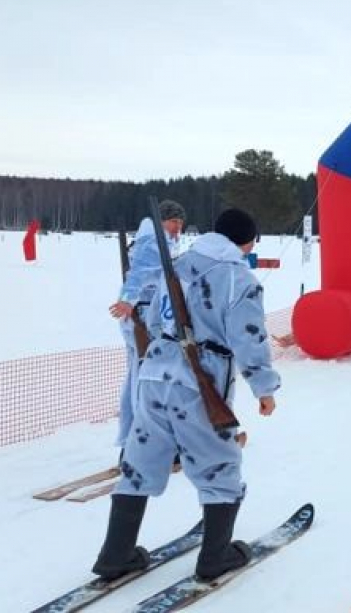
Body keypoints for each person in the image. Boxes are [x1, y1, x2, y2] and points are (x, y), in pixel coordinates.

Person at [92, 208, 281, 582]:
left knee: (139, 464)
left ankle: (116, 555)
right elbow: (249, 338)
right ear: (245, 242)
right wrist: (265, 387)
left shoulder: (175, 264)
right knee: (220, 466)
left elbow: (154, 320)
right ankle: (215, 557)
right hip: (198, 382)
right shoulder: (237, 277)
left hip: (154, 375)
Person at [107, 199, 186, 447]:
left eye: (181, 223)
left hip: (141, 317)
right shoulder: (154, 242)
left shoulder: (153, 241)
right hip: (142, 318)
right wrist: (129, 300)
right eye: (174, 221)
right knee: (146, 379)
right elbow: (138, 275)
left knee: (136, 376)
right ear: (162, 220)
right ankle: (144, 440)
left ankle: (131, 436)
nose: (178, 228)